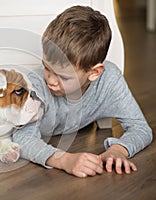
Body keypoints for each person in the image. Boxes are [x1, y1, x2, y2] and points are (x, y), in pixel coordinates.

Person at [12, 6, 153, 178]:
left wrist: (119, 150)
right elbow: (22, 138)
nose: (50, 80)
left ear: (94, 73)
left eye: (63, 77)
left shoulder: (109, 80)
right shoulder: (35, 85)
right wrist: (64, 160)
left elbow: (140, 128)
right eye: (46, 67)